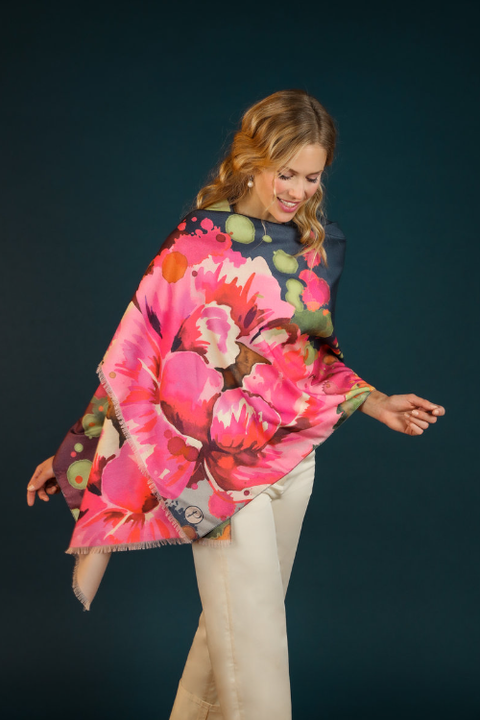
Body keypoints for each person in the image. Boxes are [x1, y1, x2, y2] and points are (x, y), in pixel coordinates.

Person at [26, 89, 445, 720]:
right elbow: (135, 355)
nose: (298, 191)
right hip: (215, 471)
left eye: (312, 177)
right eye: (287, 173)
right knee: (256, 651)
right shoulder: (197, 242)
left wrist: (377, 402)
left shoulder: (316, 245)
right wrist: (77, 451)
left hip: (290, 460)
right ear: (253, 161)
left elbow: (309, 355)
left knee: (229, 638)